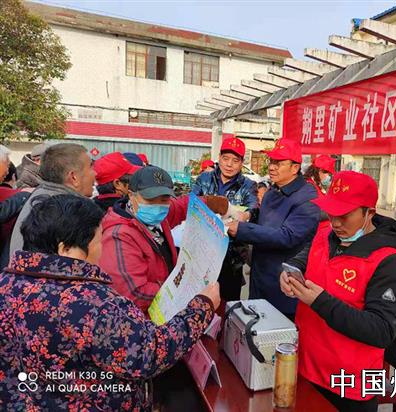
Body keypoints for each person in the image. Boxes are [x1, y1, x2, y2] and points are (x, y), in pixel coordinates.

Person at [0, 194, 220, 411]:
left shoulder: (5, 284)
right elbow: (148, 353)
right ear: (66, 249)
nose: (103, 248)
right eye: (98, 240)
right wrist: (202, 307)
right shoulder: (94, 304)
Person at [280, 171, 396, 412]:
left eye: (344, 215)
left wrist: (320, 301)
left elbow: (382, 331)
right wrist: (291, 271)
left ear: (369, 213)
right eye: (331, 213)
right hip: (306, 366)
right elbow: (305, 257)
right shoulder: (326, 234)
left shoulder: (389, 263)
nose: (336, 223)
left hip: (348, 386)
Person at [100, 165, 228, 314]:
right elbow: (135, 293)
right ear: (131, 195)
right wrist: (180, 288)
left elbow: (182, 206)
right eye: (150, 200)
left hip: (167, 305)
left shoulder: (159, 215)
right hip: (144, 317)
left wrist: (217, 204)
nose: (158, 206)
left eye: (164, 199)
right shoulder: (118, 236)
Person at [227, 139, 319, 319]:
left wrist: (243, 230)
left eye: (279, 163)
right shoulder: (273, 190)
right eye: (271, 161)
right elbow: (265, 220)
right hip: (259, 277)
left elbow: (287, 236)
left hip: (282, 284)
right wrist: (248, 216)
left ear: (295, 168)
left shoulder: (307, 198)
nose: (272, 167)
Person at [192, 137, 258, 301]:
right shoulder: (204, 179)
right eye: (225, 158)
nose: (229, 164)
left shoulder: (248, 185)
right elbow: (191, 203)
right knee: (200, 300)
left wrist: (246, 215)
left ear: (241, 163)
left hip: (231, 256)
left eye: (235, 161)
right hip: (202, 252)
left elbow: (254, 207)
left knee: (228, 302)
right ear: (219, 158)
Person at [9, 143, 96, 255]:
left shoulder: (42, 196)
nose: (96, 173)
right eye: (90, 167)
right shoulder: (66, 209)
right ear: (74, 177)